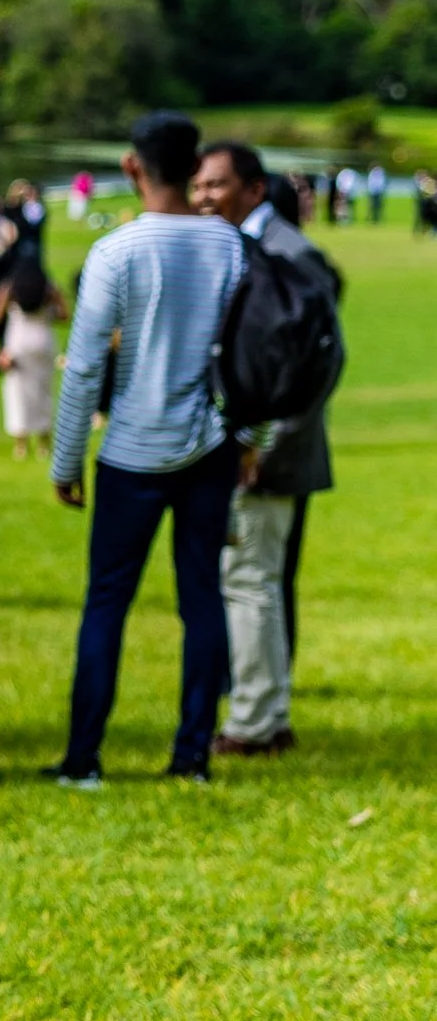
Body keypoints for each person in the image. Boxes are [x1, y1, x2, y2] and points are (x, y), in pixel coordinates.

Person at [46, 112, 245, 788]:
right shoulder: (230, 245)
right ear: (195, 169)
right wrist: (253, 440)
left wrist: (65, 460)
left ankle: (84, 757)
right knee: (202, 600)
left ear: (133, 167)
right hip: (209, 445)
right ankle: (192, 754)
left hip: (131, 448)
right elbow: (253, 358)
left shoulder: (118, 251)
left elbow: (80, 368)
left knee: (107, 603)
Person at [191, 139, 343, 758]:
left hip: (271, 452)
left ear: (254, 189)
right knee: (262, 582)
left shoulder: (286, 252)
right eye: (197, 185)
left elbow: (318, 363)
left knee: (251, 581)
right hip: (255, 445)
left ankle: (254, 721)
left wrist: (263, 443)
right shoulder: (245, 247)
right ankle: (268, 712)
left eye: (216, 185)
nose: (203, 197)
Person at [0, 256, 64, 459]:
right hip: (43, 340)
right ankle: (44, 442)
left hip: (18, 342)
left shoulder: (10, 288)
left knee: (17, 393)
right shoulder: (49, 288)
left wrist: (0, 348)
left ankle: (21, 444)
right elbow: (64, 314)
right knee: (44, 391)